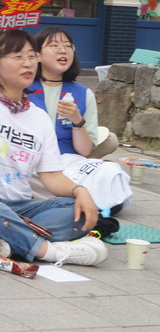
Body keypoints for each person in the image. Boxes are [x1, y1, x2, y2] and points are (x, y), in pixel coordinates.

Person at [0, 0, 108, 266]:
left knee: (80, 209)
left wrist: (80, 190)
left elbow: (51, 177)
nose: (28, 63)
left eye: (32, 56)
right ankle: (48, 251)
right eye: (17, 56)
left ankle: (3, 239)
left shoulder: (39, 117)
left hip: (21, 206)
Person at [28, 27, 131, 212]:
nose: (63, 50)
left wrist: (77, 120)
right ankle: (85, 199)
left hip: (69, 161)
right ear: (37, 56)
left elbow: (84, 150)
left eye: (68, 46)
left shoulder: (83, 93)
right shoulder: (23, 88)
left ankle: (75, 198)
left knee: (111, 172)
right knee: (27, 177)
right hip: (33, 162)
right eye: (54, 46)